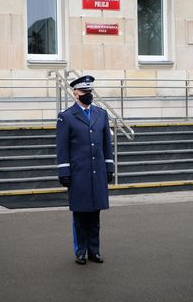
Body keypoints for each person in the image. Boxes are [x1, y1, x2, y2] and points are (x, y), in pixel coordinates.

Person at [56, 75, 114, 265]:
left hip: (97, 172)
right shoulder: (66, 117)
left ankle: (94, 250)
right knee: (80, 215)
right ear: (75, 94)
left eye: (90, 91)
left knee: (95, 215)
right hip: (79, 173)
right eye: (84, 92)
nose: (88, 95)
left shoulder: (101, 114)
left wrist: (109, 167)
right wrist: (64, 171)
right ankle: (80, 251)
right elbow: (62, 147)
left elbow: (107, 144)